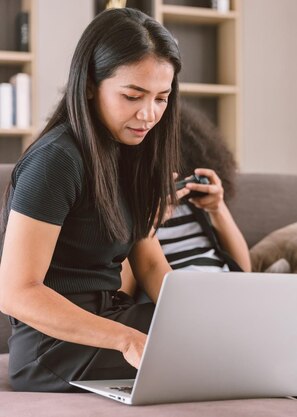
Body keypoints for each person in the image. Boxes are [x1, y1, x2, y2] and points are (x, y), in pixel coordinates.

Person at [121, 102, 297, 417]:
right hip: (186, 309)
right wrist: (147, 221)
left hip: (233, 294)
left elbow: (243, 267)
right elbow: (125, 288)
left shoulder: (195, 208)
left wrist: (218, 209)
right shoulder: (132, 214)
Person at [0, 8, 182, 391]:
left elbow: (149, 265)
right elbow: (15, 292)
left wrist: (199, 316)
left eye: (161, 99)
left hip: (111, 317)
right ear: (88, 86)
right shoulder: (56, 160)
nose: (148, 114)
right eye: (133, 96)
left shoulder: (134, 153)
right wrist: (126, 338)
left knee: (263, 343)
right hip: (52, 349)